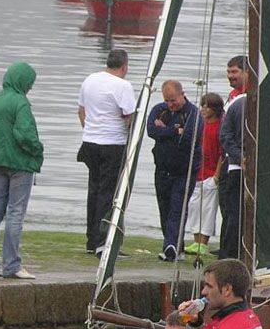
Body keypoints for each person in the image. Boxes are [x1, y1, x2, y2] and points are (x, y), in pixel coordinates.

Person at [0, 62, 43, 280]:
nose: (30, 87)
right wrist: (38, 150)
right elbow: (24, 135)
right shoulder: (21, 103)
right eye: (30, 83)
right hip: (20, 165)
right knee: (16, 212)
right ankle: (12, 265)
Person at [77, 49, 137, 256]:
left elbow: (81, 111)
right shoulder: (123, 85)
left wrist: (89, 129)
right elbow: (129, 116)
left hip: (90, 142)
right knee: (108, 193)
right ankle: (104, 242)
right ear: (124, 66)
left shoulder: (90, 80)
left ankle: (91, 240)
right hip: (112, 143)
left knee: (93, 190)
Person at [147, 80, 202, 262]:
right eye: (167, 100)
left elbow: (187, 138)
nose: (170, 105)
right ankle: (174, 244)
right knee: (164, 208)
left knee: (177, 208)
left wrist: (166, 131)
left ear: (182, 94)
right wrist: (173, 131)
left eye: (173, 100)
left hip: (184, 171)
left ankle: (170, 246)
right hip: (162, 169)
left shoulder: (193, 113)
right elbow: (151, 130)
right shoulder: (159, 109)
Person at [184, 93, 224, 258]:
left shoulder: (219, 126)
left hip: (210, 173)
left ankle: (203, 242)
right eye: (202, 106)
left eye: (207, 106)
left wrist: (216, 176)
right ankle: (195, 239)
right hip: (197, 172)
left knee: (208, 209)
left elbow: (222, 153)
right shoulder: (200, 125)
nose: (203, 109)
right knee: (194, 207)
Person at [216, 56, 248, 257]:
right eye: (228, 72)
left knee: (239, 215)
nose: (230, 76)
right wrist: (239, 158)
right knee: (231, 214)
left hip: (243, 166)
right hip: (235, 166)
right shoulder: (234, 100)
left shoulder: (244, 99)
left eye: (234, 72)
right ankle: (228, 255)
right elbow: (225, 136)